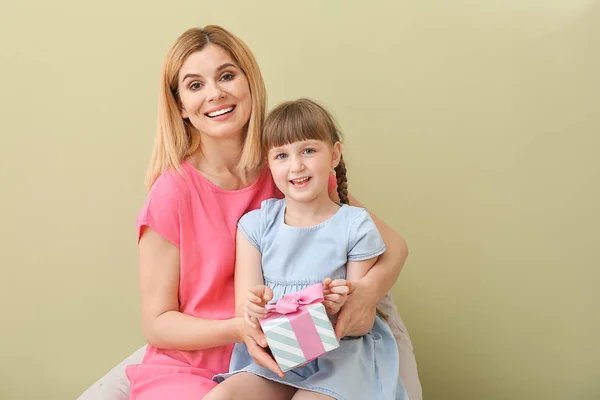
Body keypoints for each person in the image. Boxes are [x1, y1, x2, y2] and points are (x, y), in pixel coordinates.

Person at [77, 25, 422, 400]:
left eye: (226, 76)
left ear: (249, 82)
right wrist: (240, 329)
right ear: (180, 106)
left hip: (293, 352)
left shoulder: (288, 169)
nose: (215, 94)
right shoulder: (172, 193)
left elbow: (394, 247)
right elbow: (158, 324)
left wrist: (364, 293)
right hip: (198, 364)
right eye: (195, 85)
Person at [205, 99, 409, 400]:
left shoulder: (355, 225)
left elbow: (362, 322)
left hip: (342, 358)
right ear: (268, 162)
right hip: (278, 355)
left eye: (309, 151)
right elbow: (244, 314)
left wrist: (336, 308)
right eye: (282, 155)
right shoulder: (255, 227)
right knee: (220, 397)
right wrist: (256, 307)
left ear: (334, 154)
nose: (296, 165)